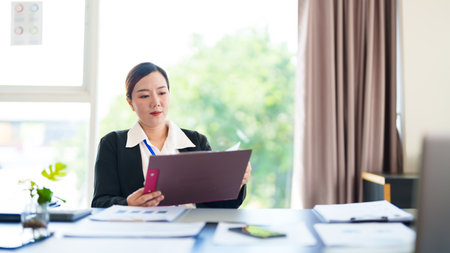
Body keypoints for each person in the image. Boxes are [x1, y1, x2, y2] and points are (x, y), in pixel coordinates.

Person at [91, 62, 252, 208]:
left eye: (162, 93)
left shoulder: (195, 141)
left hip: (191, 230)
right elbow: (99, 203)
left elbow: (216, 207)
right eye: (144, 96)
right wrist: (127, 203)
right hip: (142, 233)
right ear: (130, 102)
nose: (156, 102)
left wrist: (234, 184)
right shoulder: (113, 144)